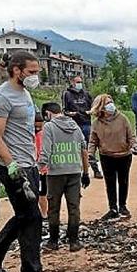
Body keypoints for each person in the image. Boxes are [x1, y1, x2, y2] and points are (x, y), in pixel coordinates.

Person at [0, 50, 59, 272]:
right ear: (17, 70)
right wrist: (11, 164)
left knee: (27, 214)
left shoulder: (24, 93)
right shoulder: (1, 97)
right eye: (32, 72)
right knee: (32, 215)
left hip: (28, 161)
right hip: (11, 164)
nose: (35, 76)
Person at [38, 102, 90, 252]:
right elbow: (84, 149)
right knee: (74, 207)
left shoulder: (49, 127)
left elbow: (46, 151)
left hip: (55, 173)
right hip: (74, 171)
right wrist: (85, 173)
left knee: (53, 208)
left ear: (48, 113)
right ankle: (74, 241)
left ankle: (53, 241)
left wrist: (40, 167)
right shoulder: (75, 126)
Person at [89, 94, 137, 221]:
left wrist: (134, 146)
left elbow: (131, 136)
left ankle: (123, 206)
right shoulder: (96, 123)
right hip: (106, 156)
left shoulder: (122, 118)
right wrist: (90, 153)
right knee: (110, 183)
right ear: (101, 107)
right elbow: (93, 140)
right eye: (107, 103)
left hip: (124, 155)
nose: (110, 105)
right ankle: (113, 208)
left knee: (123, 181)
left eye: (111, 102)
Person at [62, 76, 101, 179]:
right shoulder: (67, 94)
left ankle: (95, 169)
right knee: (73, 149)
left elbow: (93, 107)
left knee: (89, 147)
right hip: (73, 125)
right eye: (77, 82)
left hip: (86, 123)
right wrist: (70, 114)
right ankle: (75, 172)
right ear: (72, 82)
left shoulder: (86, 94)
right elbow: (64, 110)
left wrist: (91, 111)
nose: (79, 84)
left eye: (80, 82)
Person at [34, 113, 48, 219]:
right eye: (36, 126)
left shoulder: (44, 135)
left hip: (43, 169)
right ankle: (44, 213)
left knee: (42, 193)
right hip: (37, 168)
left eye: (39, 126)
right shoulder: (32, 135)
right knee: (41, 193)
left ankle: (44, 214)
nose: (37, 128)